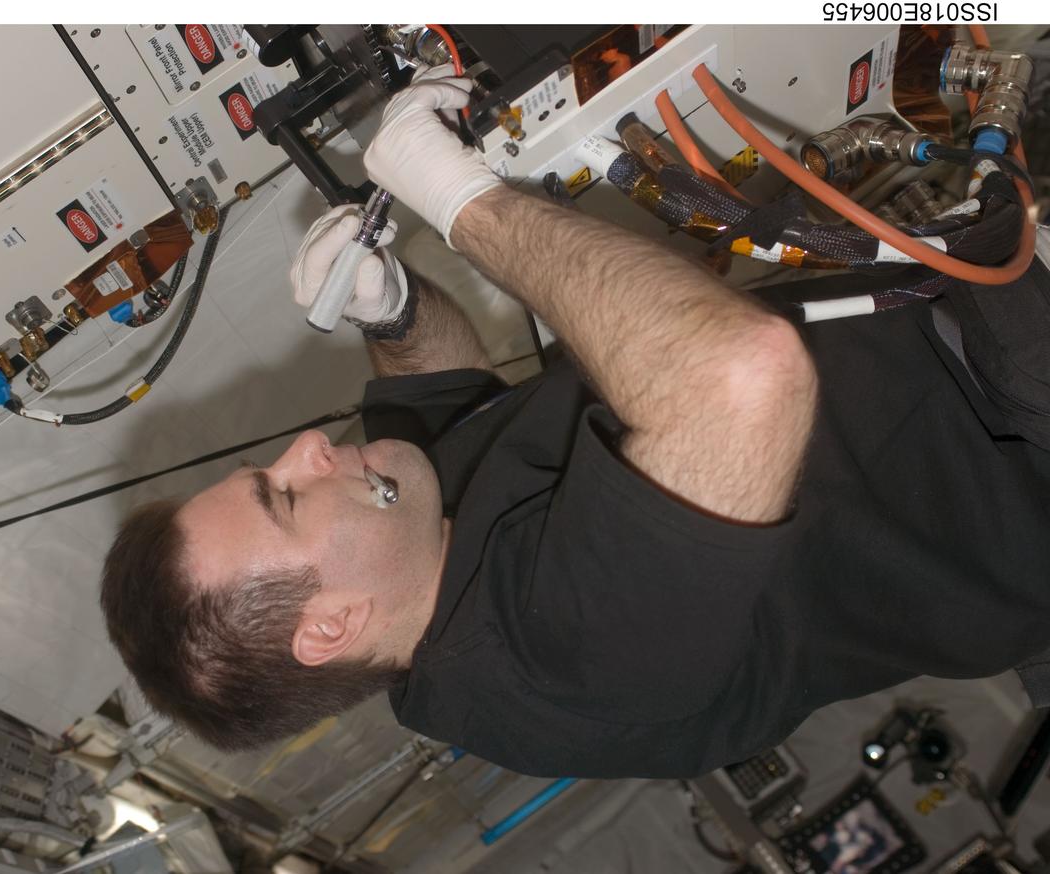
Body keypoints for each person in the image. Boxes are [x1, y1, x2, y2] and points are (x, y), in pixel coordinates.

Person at [99, 69, 1050, 778]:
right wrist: (468, 207)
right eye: (283, 497)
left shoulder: (404, 536)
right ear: (333, 625)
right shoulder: (560, 668)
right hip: (1012, 435)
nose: (305, 448)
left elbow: (447, 394)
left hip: (942, 314)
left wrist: (391, 313)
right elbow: (742, 377)